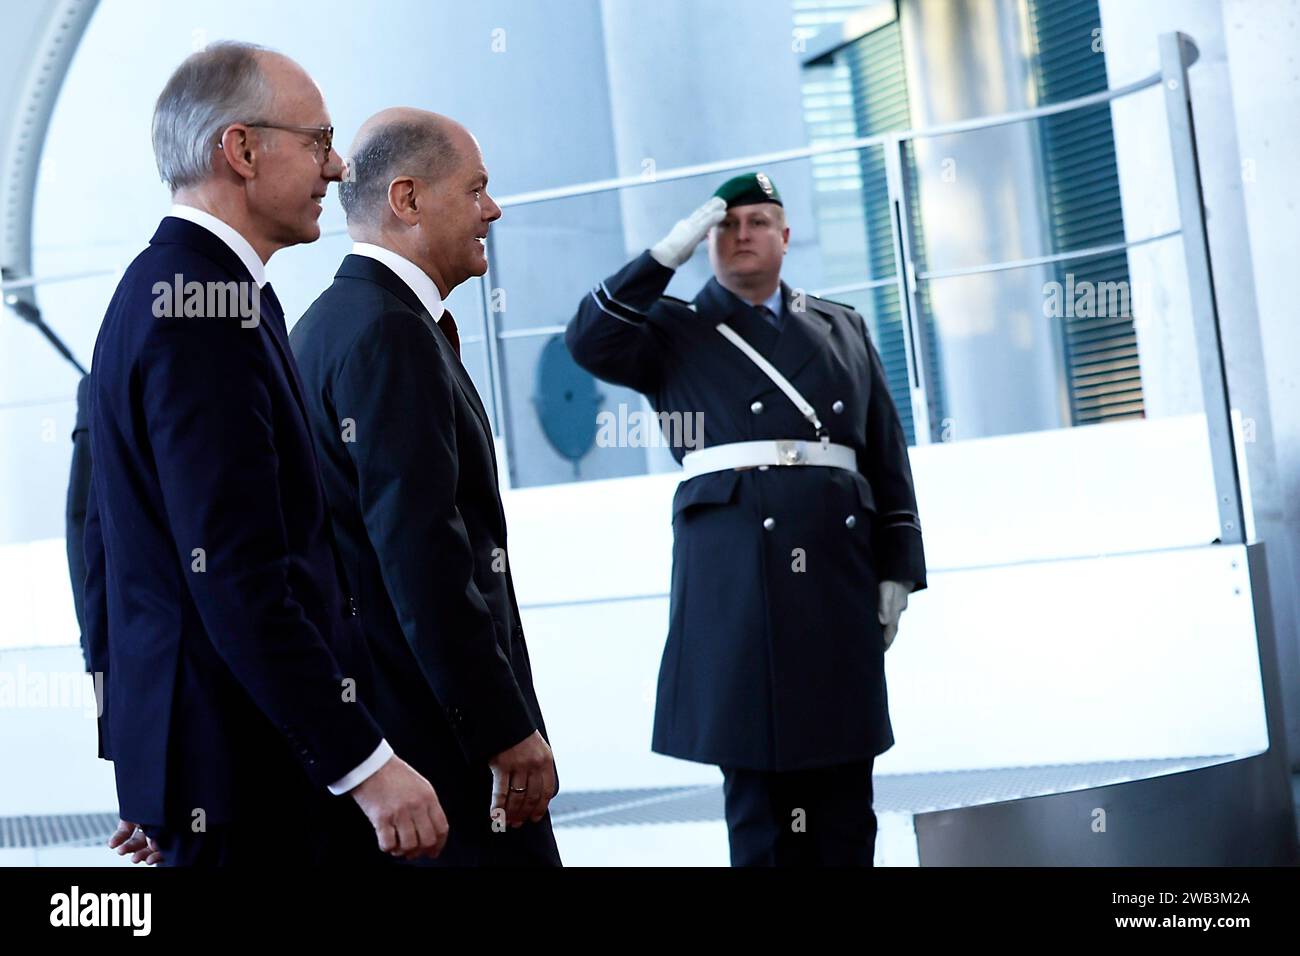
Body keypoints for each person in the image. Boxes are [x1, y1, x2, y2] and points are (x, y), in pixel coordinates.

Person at [82, 43, 447, 867]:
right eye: (318, 141)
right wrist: (367, 765)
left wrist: (150, 765)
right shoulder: (202, 309)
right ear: (242, 151)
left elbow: (113, 554)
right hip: (256, 777)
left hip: (219, 765)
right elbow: (240, 575)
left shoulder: (171, 288)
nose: (339, 163)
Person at [565, 172, 927, 866]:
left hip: (834, 576)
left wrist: (898, 571)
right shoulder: (672, 329)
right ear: (705, 243)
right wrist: (660, 257)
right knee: (762, 813)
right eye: (724, 226)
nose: (741, 236)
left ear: (786, 236)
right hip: (740, 588)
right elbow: (587, 341)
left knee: (847, 799)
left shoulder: (839, 323)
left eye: (758, 222)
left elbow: (884, 456)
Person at [290, 108, 561, 866]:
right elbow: (424, 554)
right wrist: (503, 728)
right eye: (476, 188)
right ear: (407, 200)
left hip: (402, 738)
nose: (492, 210)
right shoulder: (388, 332)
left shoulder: (327, 325)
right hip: (445, 754)